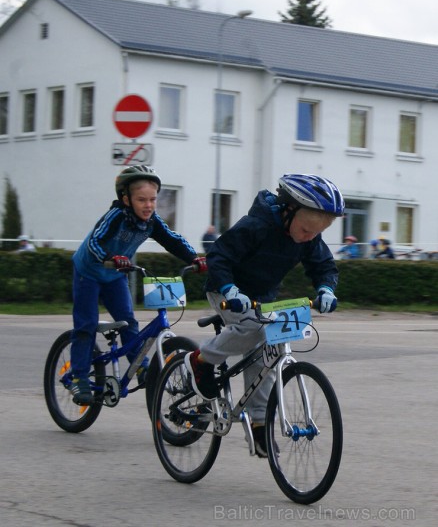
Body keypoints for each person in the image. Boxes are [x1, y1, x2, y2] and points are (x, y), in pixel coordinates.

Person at [184, 173, 344, 458]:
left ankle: (260, 423)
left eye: (315, 234)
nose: (309, 237)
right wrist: (229, 289)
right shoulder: (256, 225)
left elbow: (324, 266)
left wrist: (326, 289)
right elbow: (219, 256)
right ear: (289, 211)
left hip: (262, 298)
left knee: (269, 352)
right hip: (225, 290)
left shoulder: (308, 236)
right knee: (253, 329)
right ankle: (201, 360)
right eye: (306, 230)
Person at [70, 165, 207, 405]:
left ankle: (140, 366)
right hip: (89, 273)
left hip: (114, 277)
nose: (148, 205)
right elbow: (94, 242)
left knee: (129, 321)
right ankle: (79, 378)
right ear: (126, 199)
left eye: (153, 199)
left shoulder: (151, 221)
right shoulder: (116, 216)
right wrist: (109, 258)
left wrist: (194, 258)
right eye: (141, 199)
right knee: (86, 325)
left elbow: (172, 240)